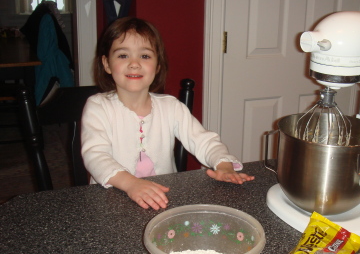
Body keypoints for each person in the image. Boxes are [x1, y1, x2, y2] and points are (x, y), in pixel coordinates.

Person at [81, 17, 254, 210]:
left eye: (145, 56)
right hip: (111, 200)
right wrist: (131, 184)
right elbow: (95, 155)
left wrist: (223, 164)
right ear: (106, 64)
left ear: (157, 66)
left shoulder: (171, 107)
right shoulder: (98, 107)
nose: (134, 64)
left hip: (161, 198)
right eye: (123, 55)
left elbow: (203, 141)